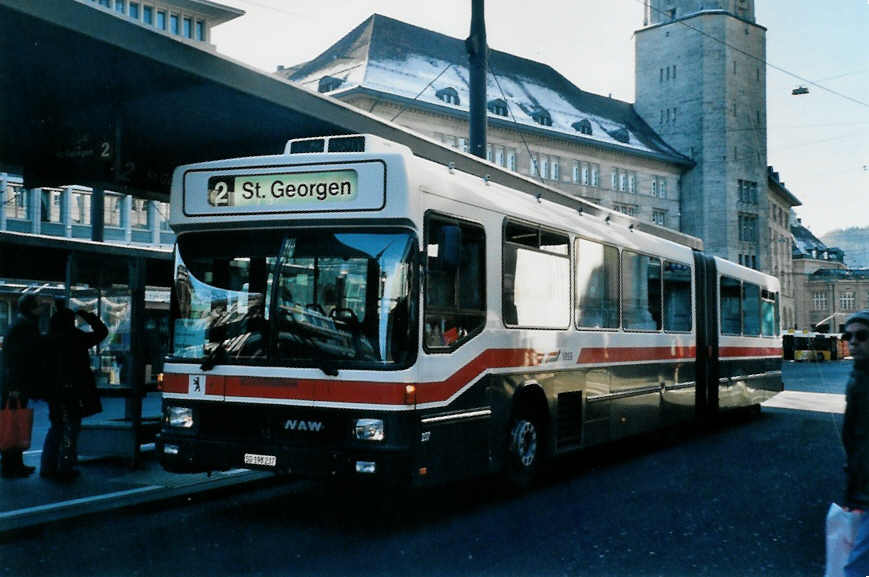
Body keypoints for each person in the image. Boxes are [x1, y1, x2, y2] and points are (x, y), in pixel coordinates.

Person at [40, 307, 108, 481]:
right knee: (70, 428)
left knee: (56, 426)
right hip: (73, 391)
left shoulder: (49, 339)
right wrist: (89, 317)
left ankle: (48, 465)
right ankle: (65, 465)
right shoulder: (76, 337)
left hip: (53, 391)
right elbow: (102, 332)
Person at [0, 294, 45, 478]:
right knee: (15, 423)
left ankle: (12, 463)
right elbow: (23, 359)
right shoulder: (25, 327)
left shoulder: (20, 325)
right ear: (31, 308)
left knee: (13, 422)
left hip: (11, 382)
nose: (42, 309)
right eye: (39, 306)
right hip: (15, 383)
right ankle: (12, 465)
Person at [841, 309, 869, 577]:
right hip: (863, 483)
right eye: (848, 335)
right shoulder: (858, 376)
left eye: (862, 335)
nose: (853, 341)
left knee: (855, 566)